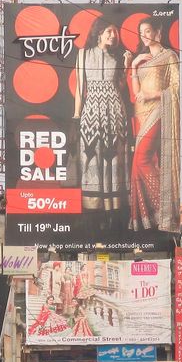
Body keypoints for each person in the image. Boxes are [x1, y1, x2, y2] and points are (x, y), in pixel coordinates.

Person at [127, 16, 181, 232]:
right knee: (137, 164)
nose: (145, 36)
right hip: (140, 114)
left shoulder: (170, 56)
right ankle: (151, 216)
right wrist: (132, 67)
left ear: (158, 32)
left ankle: (164, 208)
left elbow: (176, 88)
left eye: (148, 31)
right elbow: (135, 94)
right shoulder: (141, 59)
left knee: (142, 159)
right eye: (142, 32)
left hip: (158, 110)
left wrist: (152, 94)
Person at [73, 15, 130, 216]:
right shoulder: (83, 54)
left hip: (115, 111)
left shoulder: (118, 57)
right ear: (99, 33)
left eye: (115, 32)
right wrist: (76, 115)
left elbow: (120, 87)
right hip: (92, 112)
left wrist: (127, 65)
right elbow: (80, 88)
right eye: (109, 31)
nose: (114, 36)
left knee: (114, 157)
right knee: (91, 155)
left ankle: (113, 212)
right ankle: (93, 209)